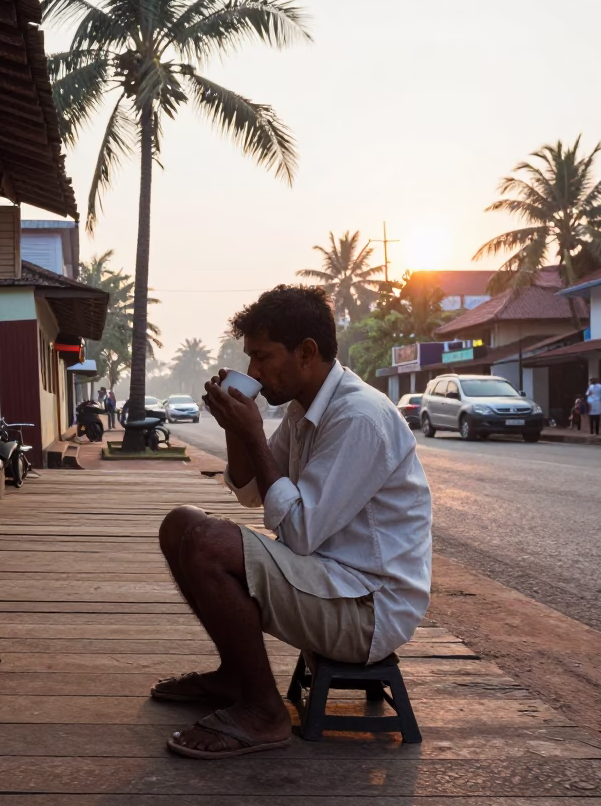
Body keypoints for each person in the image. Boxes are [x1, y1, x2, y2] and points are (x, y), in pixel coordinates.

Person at [152, 285, 432, 759]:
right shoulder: (306, 409)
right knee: (180, 525)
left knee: (204, 542)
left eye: (263, 357)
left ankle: (264, 711)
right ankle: (235, 678)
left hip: (367, 608)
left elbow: (298, 532)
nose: (255, 373)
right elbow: (249, 493)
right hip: (329, 581)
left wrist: (254, 433)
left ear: (307, 353)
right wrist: (236, 431)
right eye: (250, 360)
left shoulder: (358, 416)